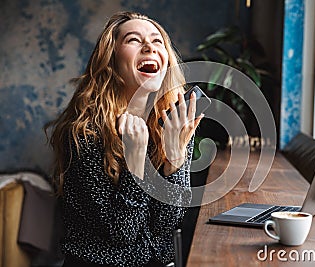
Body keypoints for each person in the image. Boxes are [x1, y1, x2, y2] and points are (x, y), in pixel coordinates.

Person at [45, 11, 203, 267]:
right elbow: (122, 235)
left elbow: (166, 225)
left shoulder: (172, 125)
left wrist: (174, 159)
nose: (149, 46)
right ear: (111, 61)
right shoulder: (83, 132)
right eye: (133, 40)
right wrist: (135, 162)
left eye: (157, 40)